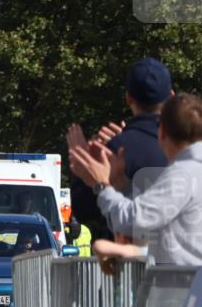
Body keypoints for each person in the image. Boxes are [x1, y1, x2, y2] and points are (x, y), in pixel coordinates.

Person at [69, 91, 202, 267]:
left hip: (186, 291)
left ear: (162, 134)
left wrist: (101, 185)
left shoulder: (184, 174)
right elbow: (172, 240)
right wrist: (121, 185)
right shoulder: (191, 171)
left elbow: (133, 221)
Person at [67, 57, 173, 239]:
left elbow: (83, 209)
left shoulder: (115, 149)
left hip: (127, 260)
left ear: (128, 98)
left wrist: (84, 165)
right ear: (171, 96)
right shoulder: (185, 146)